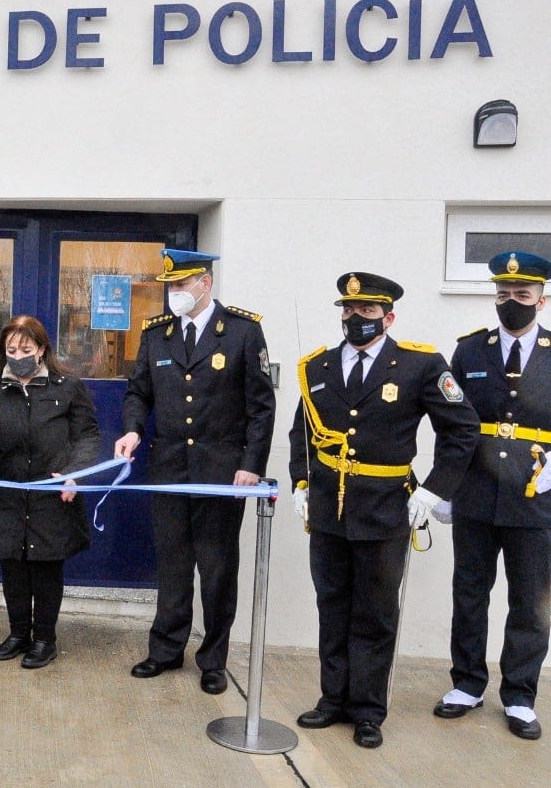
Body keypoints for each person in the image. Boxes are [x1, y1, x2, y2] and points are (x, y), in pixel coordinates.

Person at [290, 271, 479, 749]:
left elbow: (462, 429)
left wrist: (434, 491)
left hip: (385, 507)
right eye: (349, 310)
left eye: (367, 311)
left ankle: (368, 710)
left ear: (388, 316)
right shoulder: (318, 367)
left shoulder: (418, 365)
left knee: (374, 614)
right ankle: (332, 700)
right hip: (329, 510)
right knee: (332, 606)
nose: (356, 318)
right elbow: (303, 435)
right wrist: (300, 481)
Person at [114, 248, 275, 695]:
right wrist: (131, 430)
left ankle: (214, 660)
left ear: (205, 283)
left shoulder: (243, 332)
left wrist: (250, 465)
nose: (174, 294)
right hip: (168, 469)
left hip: (222, 474)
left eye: (181, 285)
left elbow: (261, 407)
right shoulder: (157, 334)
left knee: (218, 568)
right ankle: (165, 650)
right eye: (170, 286)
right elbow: (138, 392)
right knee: (173, 564)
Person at [431, 251, 551, 741]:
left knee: (529, 601)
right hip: (477, 494)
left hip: (536, 496)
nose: (512, 303)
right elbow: (453, 423)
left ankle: (520, 696)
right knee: (469, 593)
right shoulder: (469, 351)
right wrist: (446, 486)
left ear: (542, 299)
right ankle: (467, 683)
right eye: (504, 295)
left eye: (522, 295)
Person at [0, 315, 100, 669]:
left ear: (42, 349)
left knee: (45, 569)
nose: (18, 355)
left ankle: (45, 639)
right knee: (12, 566)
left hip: (52, 495)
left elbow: (87, 437)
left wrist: (74, 475)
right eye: (11, 349)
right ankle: (18, 634)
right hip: (9, 495)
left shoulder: (68, 387)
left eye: (26, 349)